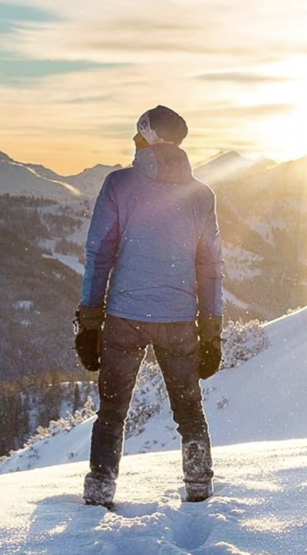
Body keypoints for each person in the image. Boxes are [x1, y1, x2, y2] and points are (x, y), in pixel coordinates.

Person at [74, 105, 224, 509]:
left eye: (138, 134)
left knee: (112, 413)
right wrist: (211, 332)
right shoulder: (201, 195)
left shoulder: (118, 185)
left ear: (147, 138)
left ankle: (100, 490)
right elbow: (210, 268)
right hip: (178, 320)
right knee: (189, 412)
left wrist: (89, 323)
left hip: (124, 317)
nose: (134, 140)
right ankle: (199, 489)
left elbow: (99, 253)